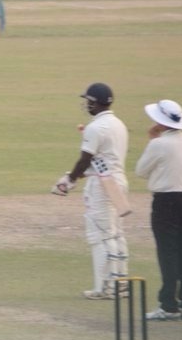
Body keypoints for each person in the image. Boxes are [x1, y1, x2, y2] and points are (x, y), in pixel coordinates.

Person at [52, 82, 130, 300]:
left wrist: (69, 179)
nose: (86, 105)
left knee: (100, 235)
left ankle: (105, 288)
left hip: (103, 186)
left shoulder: (96, 128)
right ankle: (120, 283)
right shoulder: (118, 124)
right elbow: (101, 161)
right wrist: (77, 177)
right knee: (115, 233)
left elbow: (85, 159)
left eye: (88, 101)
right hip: (118, 182)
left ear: (95, 103)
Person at [135, 100, 182, 321]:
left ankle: (168, 305)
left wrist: (152, 140)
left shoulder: (159, 144)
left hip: (165, 202)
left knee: (167, 253)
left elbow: (140, 171)